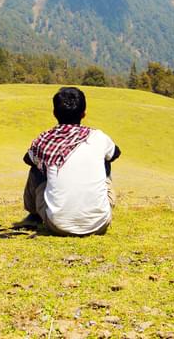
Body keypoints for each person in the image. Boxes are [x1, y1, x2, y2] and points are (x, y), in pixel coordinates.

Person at [19, 86, 120, 236]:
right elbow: (116, 153)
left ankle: (33, 215)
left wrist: (49, 161)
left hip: (57, 225)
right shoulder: (97, 137)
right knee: (106, 160)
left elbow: (28, 159)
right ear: (84, 113)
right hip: (100, 223)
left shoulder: (45, 140)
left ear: (54, 113)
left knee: (36, 168)